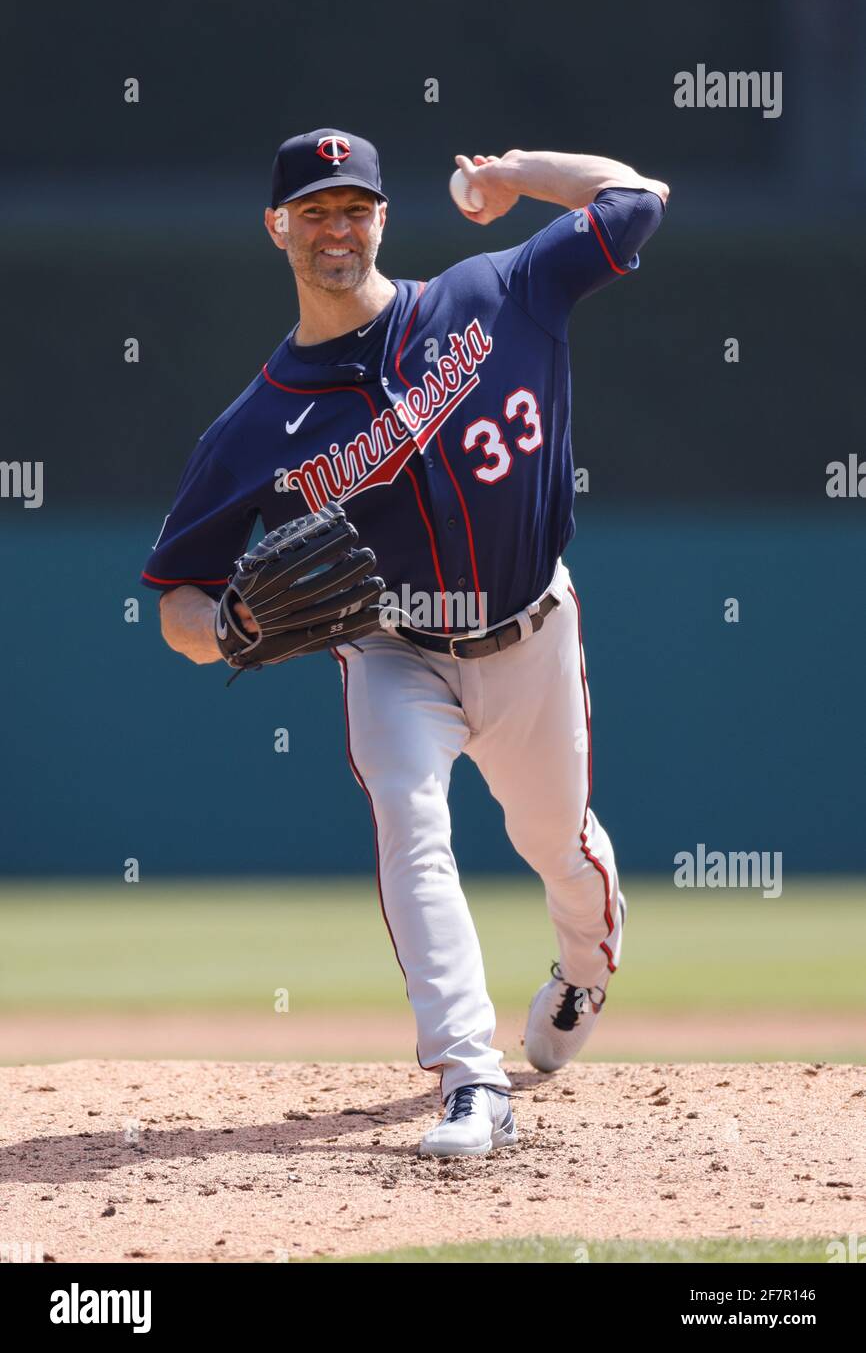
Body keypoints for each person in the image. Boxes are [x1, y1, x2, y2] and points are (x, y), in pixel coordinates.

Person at [142, 127, 669, 1158]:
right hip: (390, 649)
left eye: (353, 208)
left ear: (381, 219)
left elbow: (636, 198)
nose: (335, 229)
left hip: (528, 632)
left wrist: (514, 178)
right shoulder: (251, 429)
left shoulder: (491, 292)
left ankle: (582, 974)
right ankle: (470, 1078)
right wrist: (231, 630)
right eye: (313, 211)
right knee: (407, 818)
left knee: (555, 844)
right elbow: (175, 606)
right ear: (276, 228)